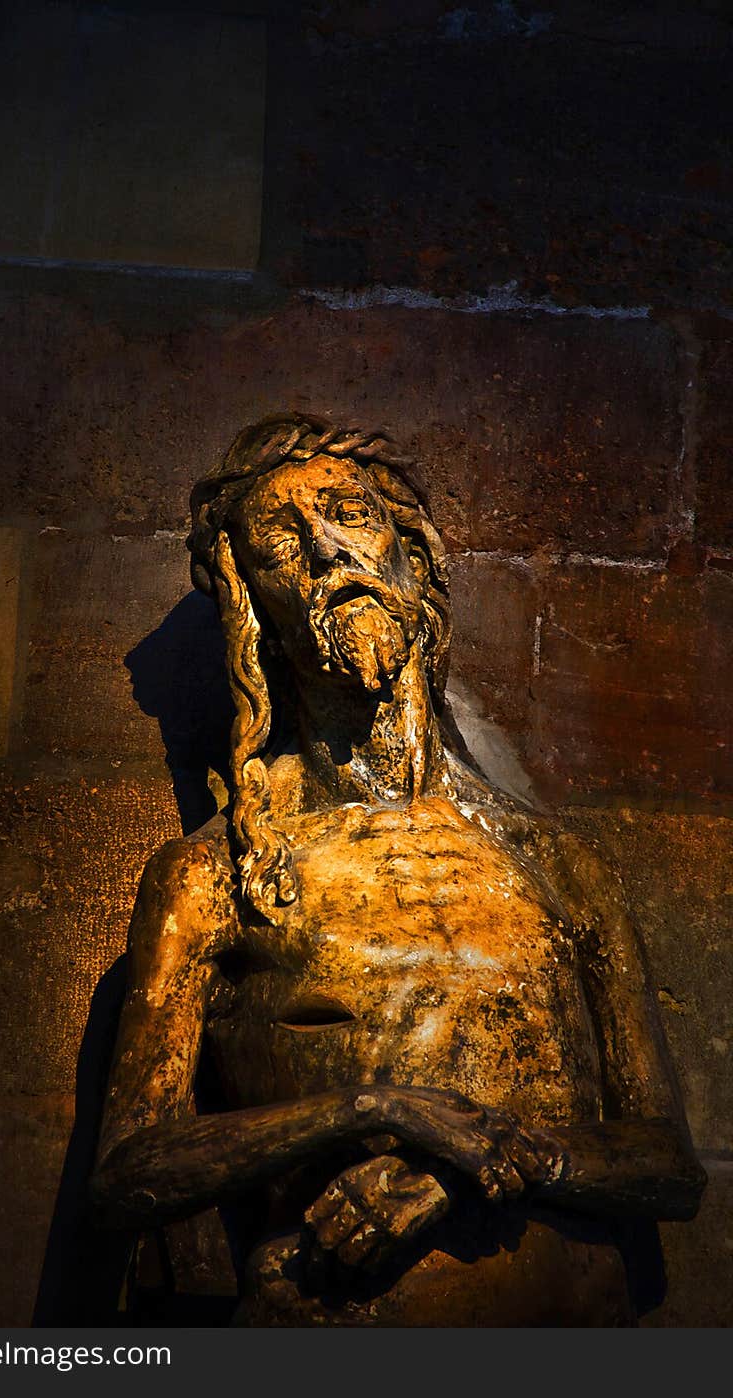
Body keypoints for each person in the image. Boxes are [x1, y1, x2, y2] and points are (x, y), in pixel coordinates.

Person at [90, 413, 704, 1325]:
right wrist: (368, 1111)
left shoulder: (558, 867)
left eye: (350, 513)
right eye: (279, 540)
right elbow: (129, 1173)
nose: (328, 548)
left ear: (413, 560)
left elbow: (666, 1166)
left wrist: (469, 1170)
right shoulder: (213, 874)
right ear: (251, 606)